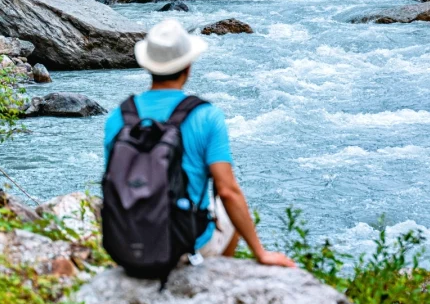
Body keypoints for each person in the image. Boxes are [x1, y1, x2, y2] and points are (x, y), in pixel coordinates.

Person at [102, 17, 295, 267]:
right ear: (188, 67)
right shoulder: (205, 115)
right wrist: (261, 252)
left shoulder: (119, 116)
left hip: (125, 242)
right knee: (226, 209)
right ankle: (213, 273)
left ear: (148, 66)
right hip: (183, 241)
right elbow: (227, 191)